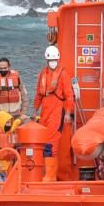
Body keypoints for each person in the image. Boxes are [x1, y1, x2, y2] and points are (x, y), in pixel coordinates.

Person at [34, 45, 75, 182]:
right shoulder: (42, 74)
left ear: (58, 60)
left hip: (57, 110)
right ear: (46, 60)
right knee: (43, 141)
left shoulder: (63, 74)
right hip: (44, 110)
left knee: (51, 144)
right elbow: (38, 95)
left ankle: (50, 176)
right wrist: (35, 111)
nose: (53, 62)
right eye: (51, 60)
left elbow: (69, 95)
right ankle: (46, 173)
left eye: (54, 60)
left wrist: (68, 112)